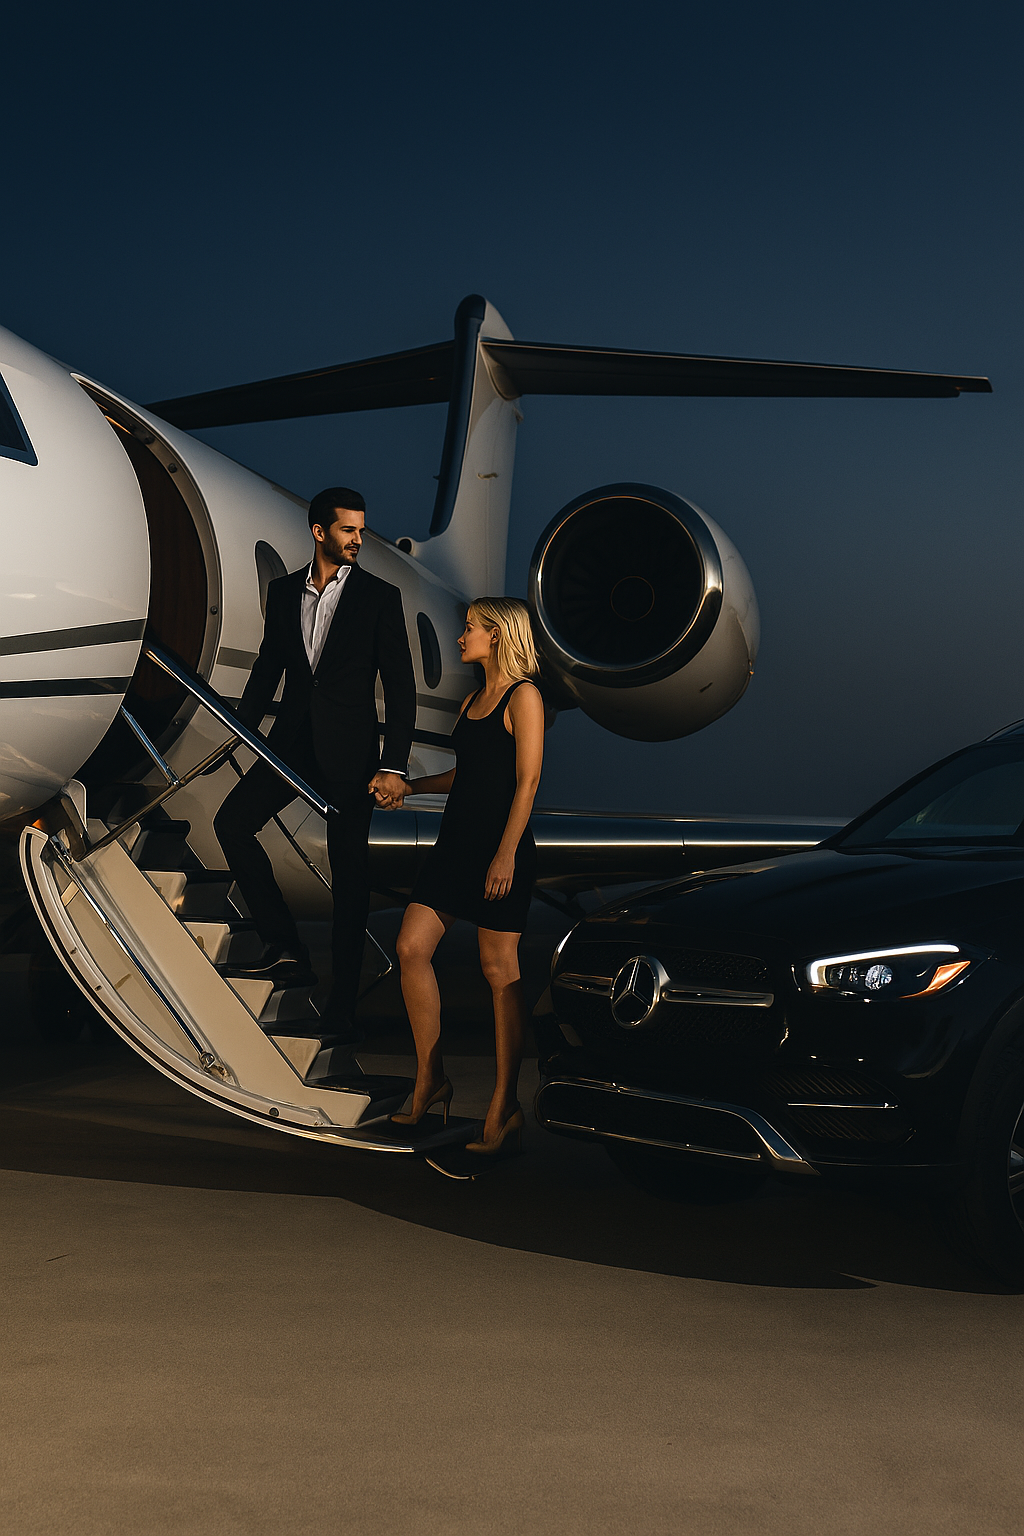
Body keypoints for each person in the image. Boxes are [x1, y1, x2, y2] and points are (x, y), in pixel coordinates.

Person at [213, 488, 415, 1038]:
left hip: (351, 755)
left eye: (361, 530)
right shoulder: (283, 593)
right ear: (319, 532)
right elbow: (267, 670)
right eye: (348, 530)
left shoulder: (379, 597)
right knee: (232, 823)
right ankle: (284, 946)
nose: (358, 540)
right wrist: (238, 734)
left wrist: (393, 764)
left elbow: (400, 688)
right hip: (292, 745)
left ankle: (343, 1008)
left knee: (349, 882)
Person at [389, 597, 545, 1155]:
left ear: (497, 635)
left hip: (500, 849)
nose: (461, 637)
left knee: (499, 970)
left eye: (470, 628)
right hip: (454, 846)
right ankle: (430, 1078)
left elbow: (527, 781)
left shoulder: (524, 696)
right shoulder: (471, 701)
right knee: (411, 948)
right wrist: (412, 788)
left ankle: (504, 1104)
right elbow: (468, 774)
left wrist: (505, 855)